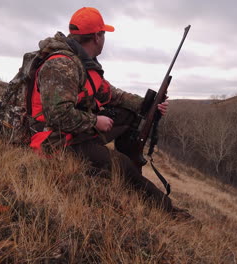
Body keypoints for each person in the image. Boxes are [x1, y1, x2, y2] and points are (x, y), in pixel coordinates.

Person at [28, 7, 183, 216]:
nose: (104, 39)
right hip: (55, 141)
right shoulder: (61, 65)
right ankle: (169, 212)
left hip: (73, 131)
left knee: (129, 116)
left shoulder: (83, 63)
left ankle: (129, 166)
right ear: (96, 36)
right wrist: (94, 121)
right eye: (103, 34)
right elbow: (58, 115)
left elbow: (111, 94)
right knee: (123, 167)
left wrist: (150, 105)